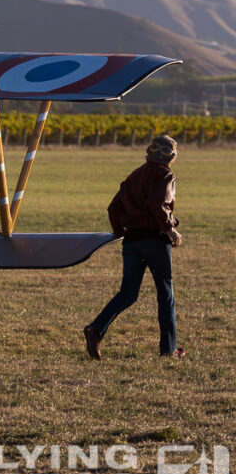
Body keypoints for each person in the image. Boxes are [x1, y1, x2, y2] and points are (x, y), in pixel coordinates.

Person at [84, 135, 184, 360]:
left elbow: (113, 208)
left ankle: (96, 329)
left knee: (128, 293)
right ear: (171, 157)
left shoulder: (134, 176)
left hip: (132, 242)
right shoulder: (165, 175)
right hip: (155, 241)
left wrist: (122, 232)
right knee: (165, 294)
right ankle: (169, 349)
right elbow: (157, 204)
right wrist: (170, 229)